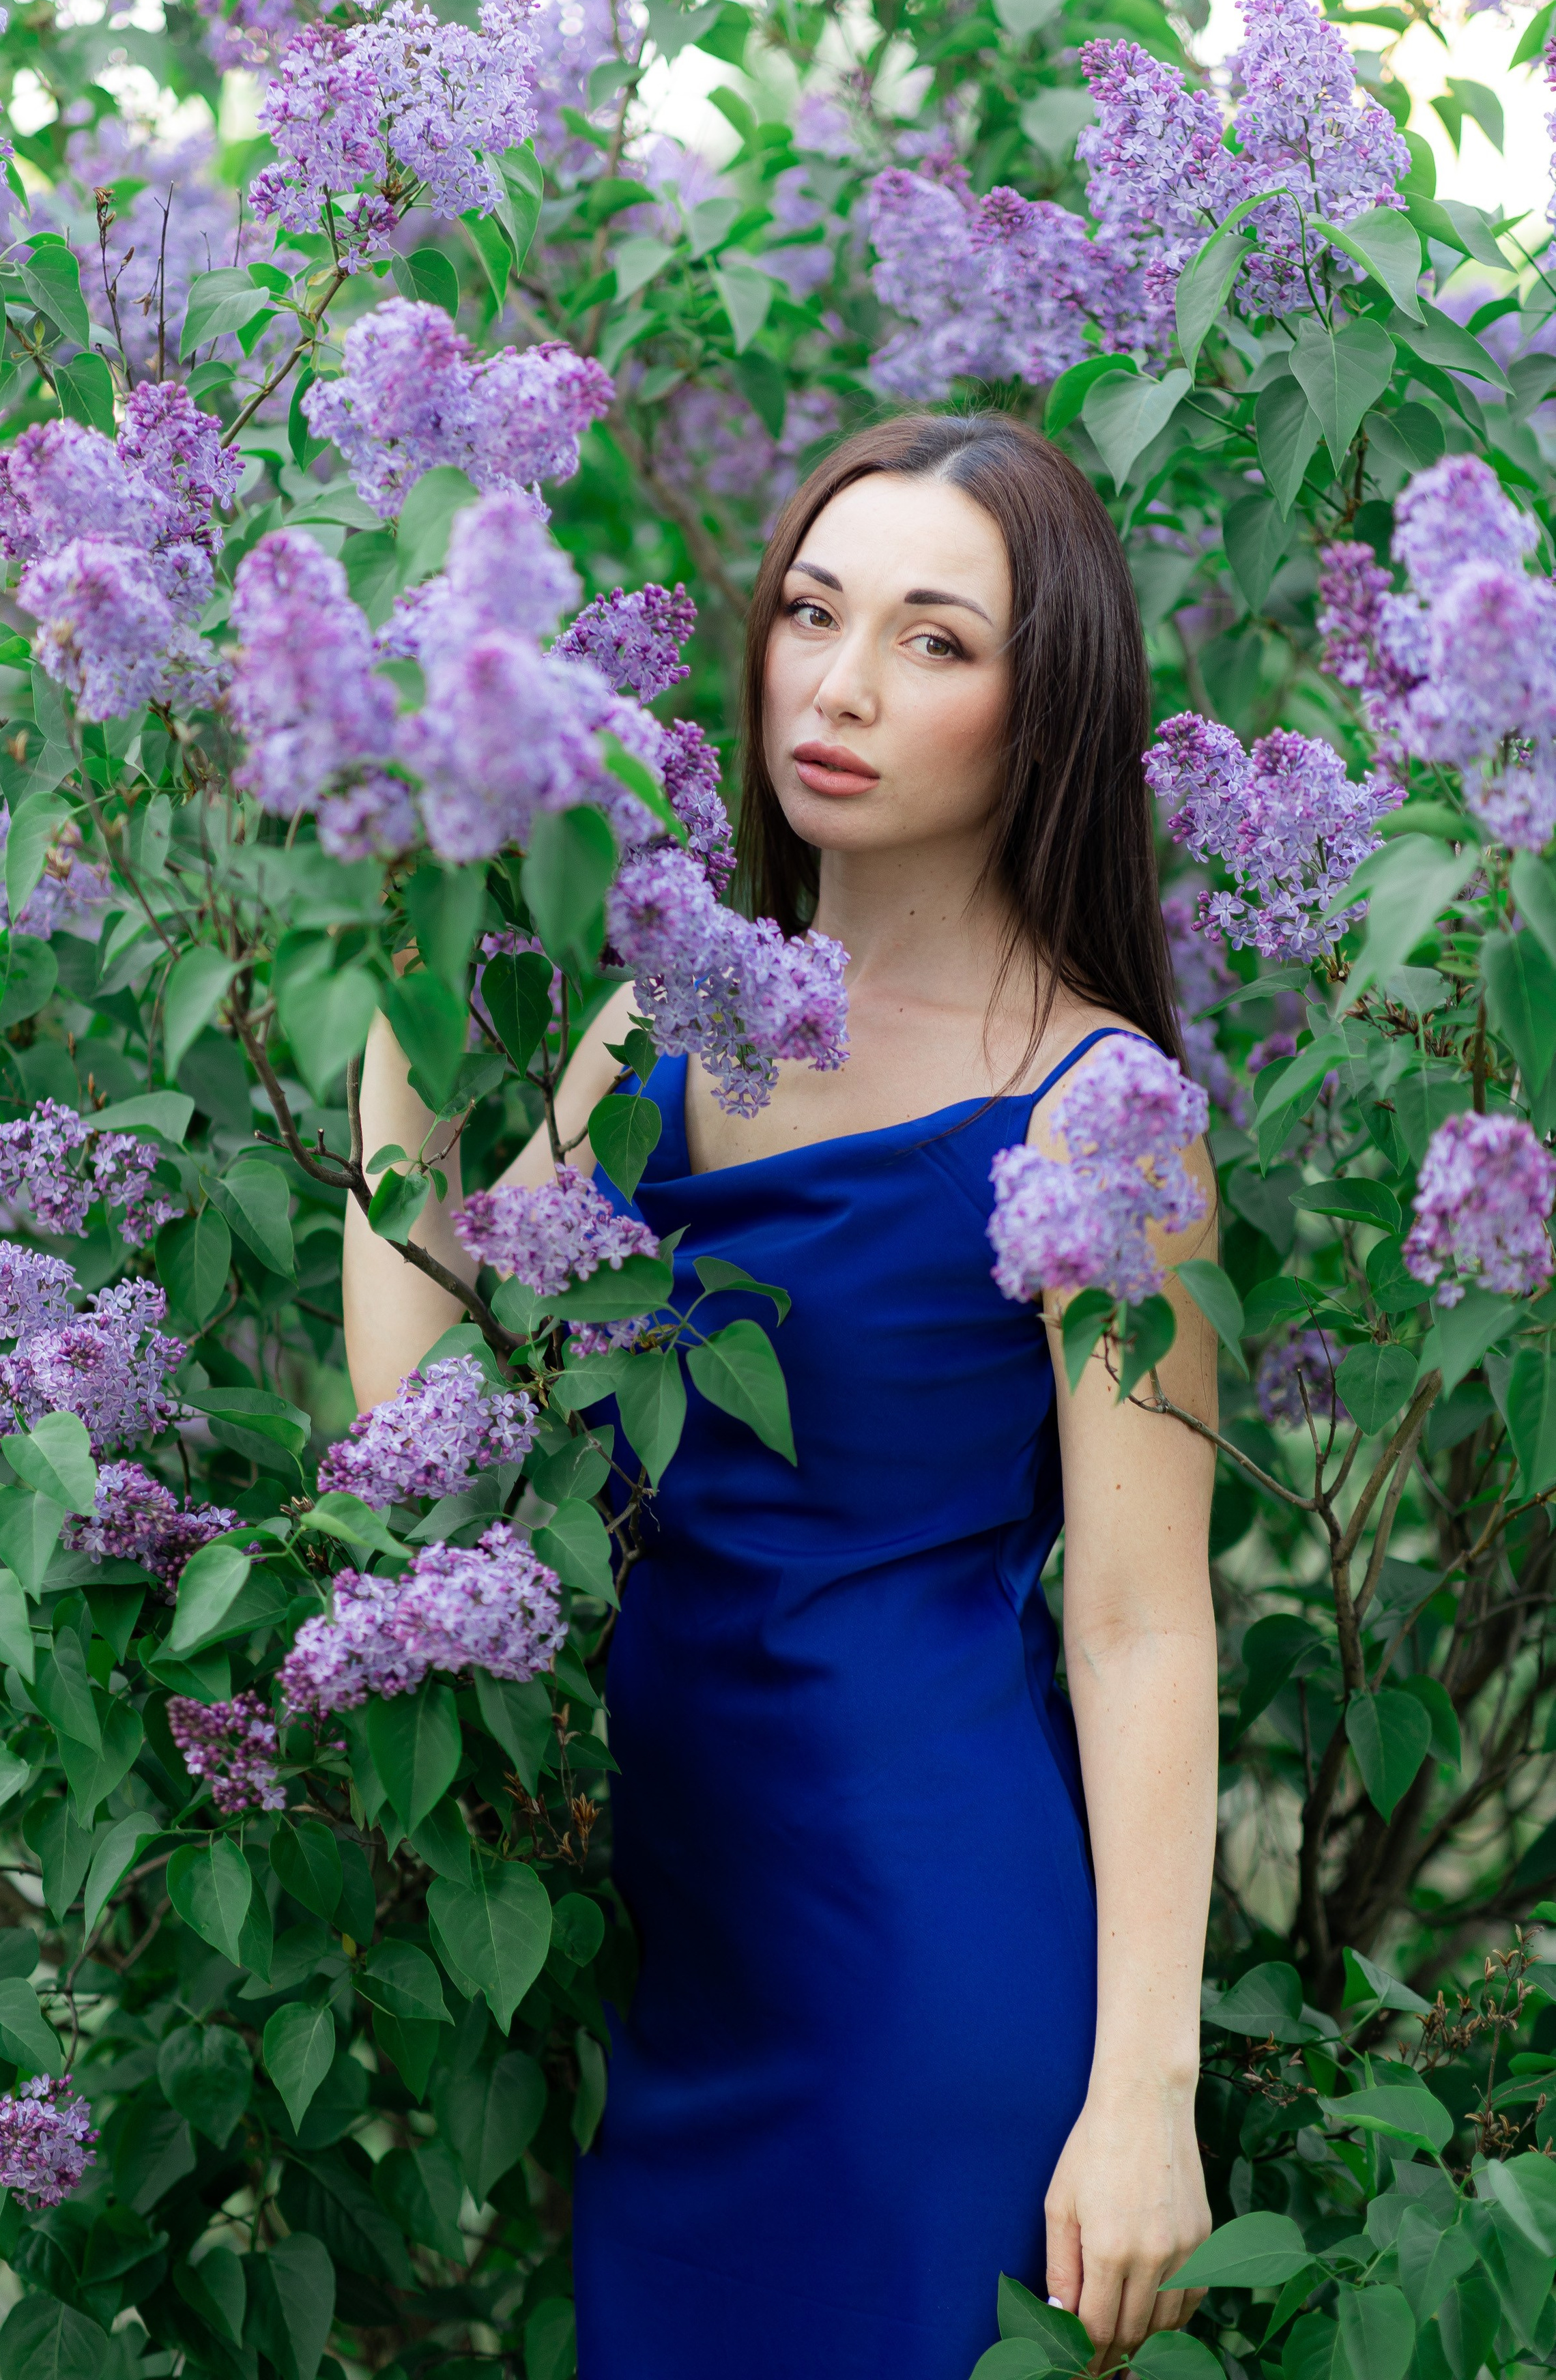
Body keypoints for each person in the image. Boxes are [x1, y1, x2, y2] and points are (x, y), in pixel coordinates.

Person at [343, 411, 1220, 2380]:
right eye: (812, 613)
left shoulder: (1096, 1114)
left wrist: (1144, 2089)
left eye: (933, 641)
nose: (838, 687)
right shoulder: (663, 1013)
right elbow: (418, 1435)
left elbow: (1144, 1615)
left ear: (1045, 705)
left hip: (924, 1957)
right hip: (690, 1952)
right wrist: (393, 1006)